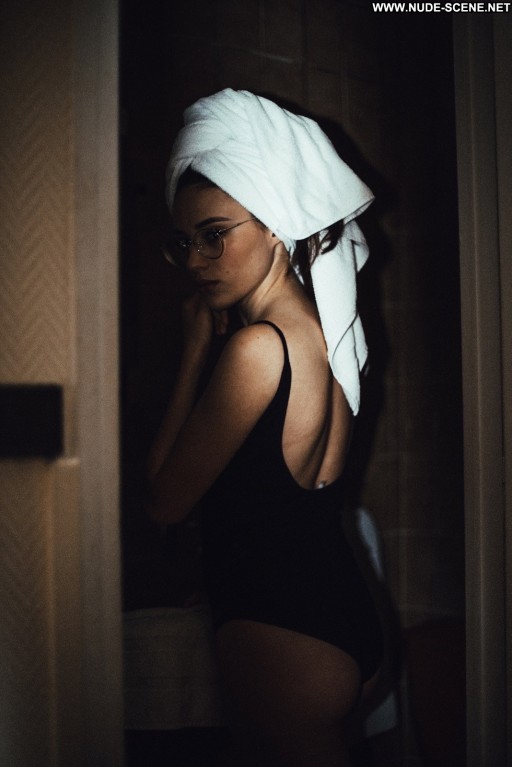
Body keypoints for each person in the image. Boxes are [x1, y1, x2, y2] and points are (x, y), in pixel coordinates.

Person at [146, 89, 383, 766]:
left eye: (215, 234)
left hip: (283, 637)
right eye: (184, 242)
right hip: (342, 619)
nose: (195, 261)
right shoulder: (328, 332)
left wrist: (194, 353)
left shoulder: (256, 349)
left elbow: (163, 501)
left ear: (276, 223)